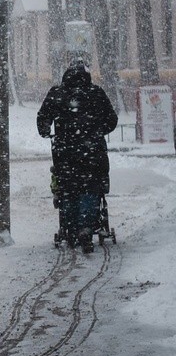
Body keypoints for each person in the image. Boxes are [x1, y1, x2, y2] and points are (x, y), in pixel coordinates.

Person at [37, 62, 118, 253]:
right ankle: (86, 225)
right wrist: (97, 132)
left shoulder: (57, 93)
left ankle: (71, 226)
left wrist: (46, 130)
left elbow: (43, 118)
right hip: (92, 152)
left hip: (65, 153)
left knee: (68, 188)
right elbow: (112, 120)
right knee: (91, 188)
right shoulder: (96, 94)